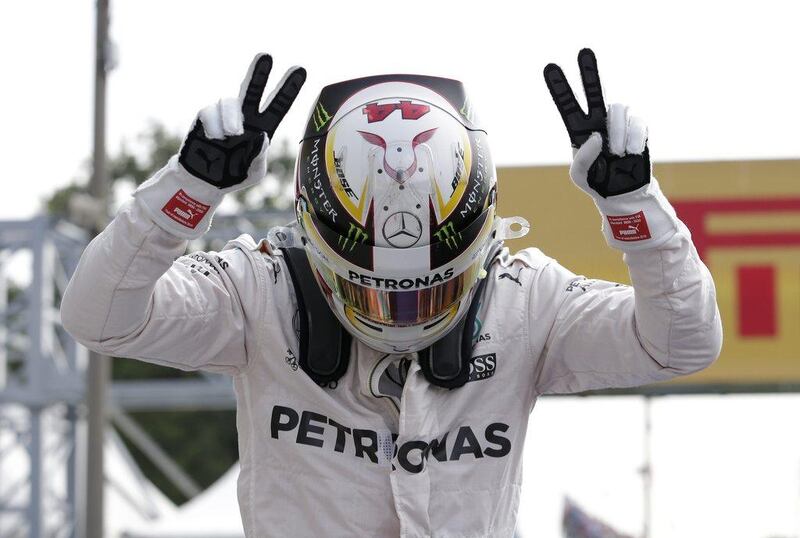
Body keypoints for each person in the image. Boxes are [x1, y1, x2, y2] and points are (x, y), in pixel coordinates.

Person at [61, 49, 722, 537]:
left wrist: (635, 208)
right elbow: (97, 318)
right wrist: (188, 189)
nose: (403, 317)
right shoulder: (258, 290)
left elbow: (682, 343)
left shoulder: (528, 300)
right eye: (377, 294)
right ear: (318, 245)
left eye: (428, 292)